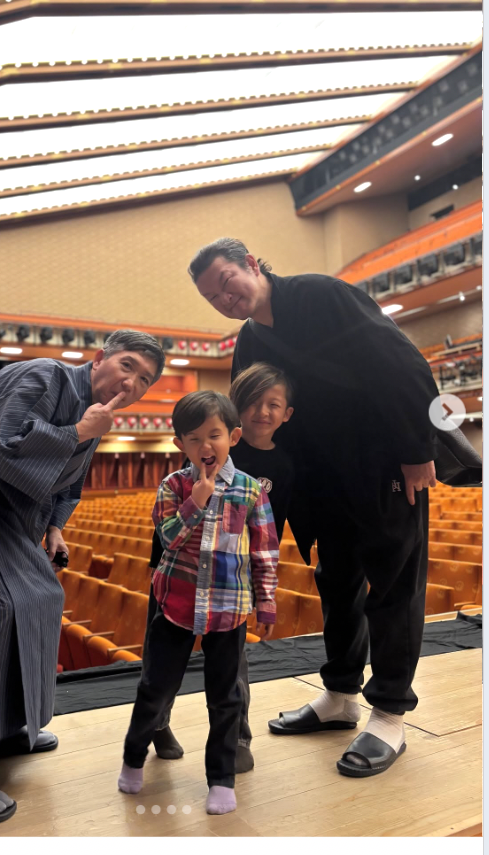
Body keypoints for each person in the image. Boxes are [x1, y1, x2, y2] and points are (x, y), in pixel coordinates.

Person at [189, 237, 438, 778]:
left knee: (394, 584)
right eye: (213, 297)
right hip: (321, 480)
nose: (225, 299)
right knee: (337, 582)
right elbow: (249, 421)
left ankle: (389, 714)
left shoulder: (323, 295)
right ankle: (341, 695)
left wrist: (417, 449)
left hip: (382, 465)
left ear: (251, 263)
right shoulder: (250, 339)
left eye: (227, 283)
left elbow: (401, 364)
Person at [0, 330, 164, 824]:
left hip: (0, 509)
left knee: (42, 597)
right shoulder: (43, 375)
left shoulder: (95, 416)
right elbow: (0, 447)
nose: (132, 382)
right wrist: (77, 433)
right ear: (100, 359)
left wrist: (54, 528)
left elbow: (68, 485)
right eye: (127, 366)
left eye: (145, 380)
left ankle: (0, 727)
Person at [118, 391, 279, 815]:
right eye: (194, 439)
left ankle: (221, 780)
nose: (205, 446)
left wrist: (266, 603)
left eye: (214, 435)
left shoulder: (251, 491)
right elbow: (168, 538)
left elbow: (264, 551)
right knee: (155, 688)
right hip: (176, 605)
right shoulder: (173, 486)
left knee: (225, 699)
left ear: (234, 437)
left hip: (228, 609)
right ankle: (133, 758)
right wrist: (197, 502)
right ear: (180, 444)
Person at [146, 363, 295, 773]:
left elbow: (267, 541)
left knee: (231, 673)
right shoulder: (187, 468)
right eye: (253, 403)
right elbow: (169, 532)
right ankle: (157, 722)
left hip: (230, 586)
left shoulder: (275, 468)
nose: (262, 412)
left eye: (273, 405)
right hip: (176, 577)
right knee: (161, 666)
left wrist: (265, 597)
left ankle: (236, 737)